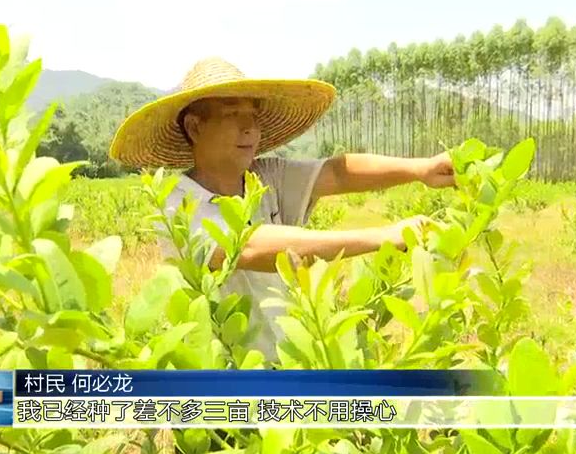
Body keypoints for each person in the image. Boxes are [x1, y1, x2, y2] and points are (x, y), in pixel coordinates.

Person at [109, 57, 456, 362]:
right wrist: (383, 237)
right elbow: (252, 246)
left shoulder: (266, 178)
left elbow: (337, 171)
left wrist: (421, 169)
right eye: (232, 114)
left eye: (253, 115)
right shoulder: (179, 206)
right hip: (224, 382)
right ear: (195, 127)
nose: (249, 127)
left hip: (288, 364)